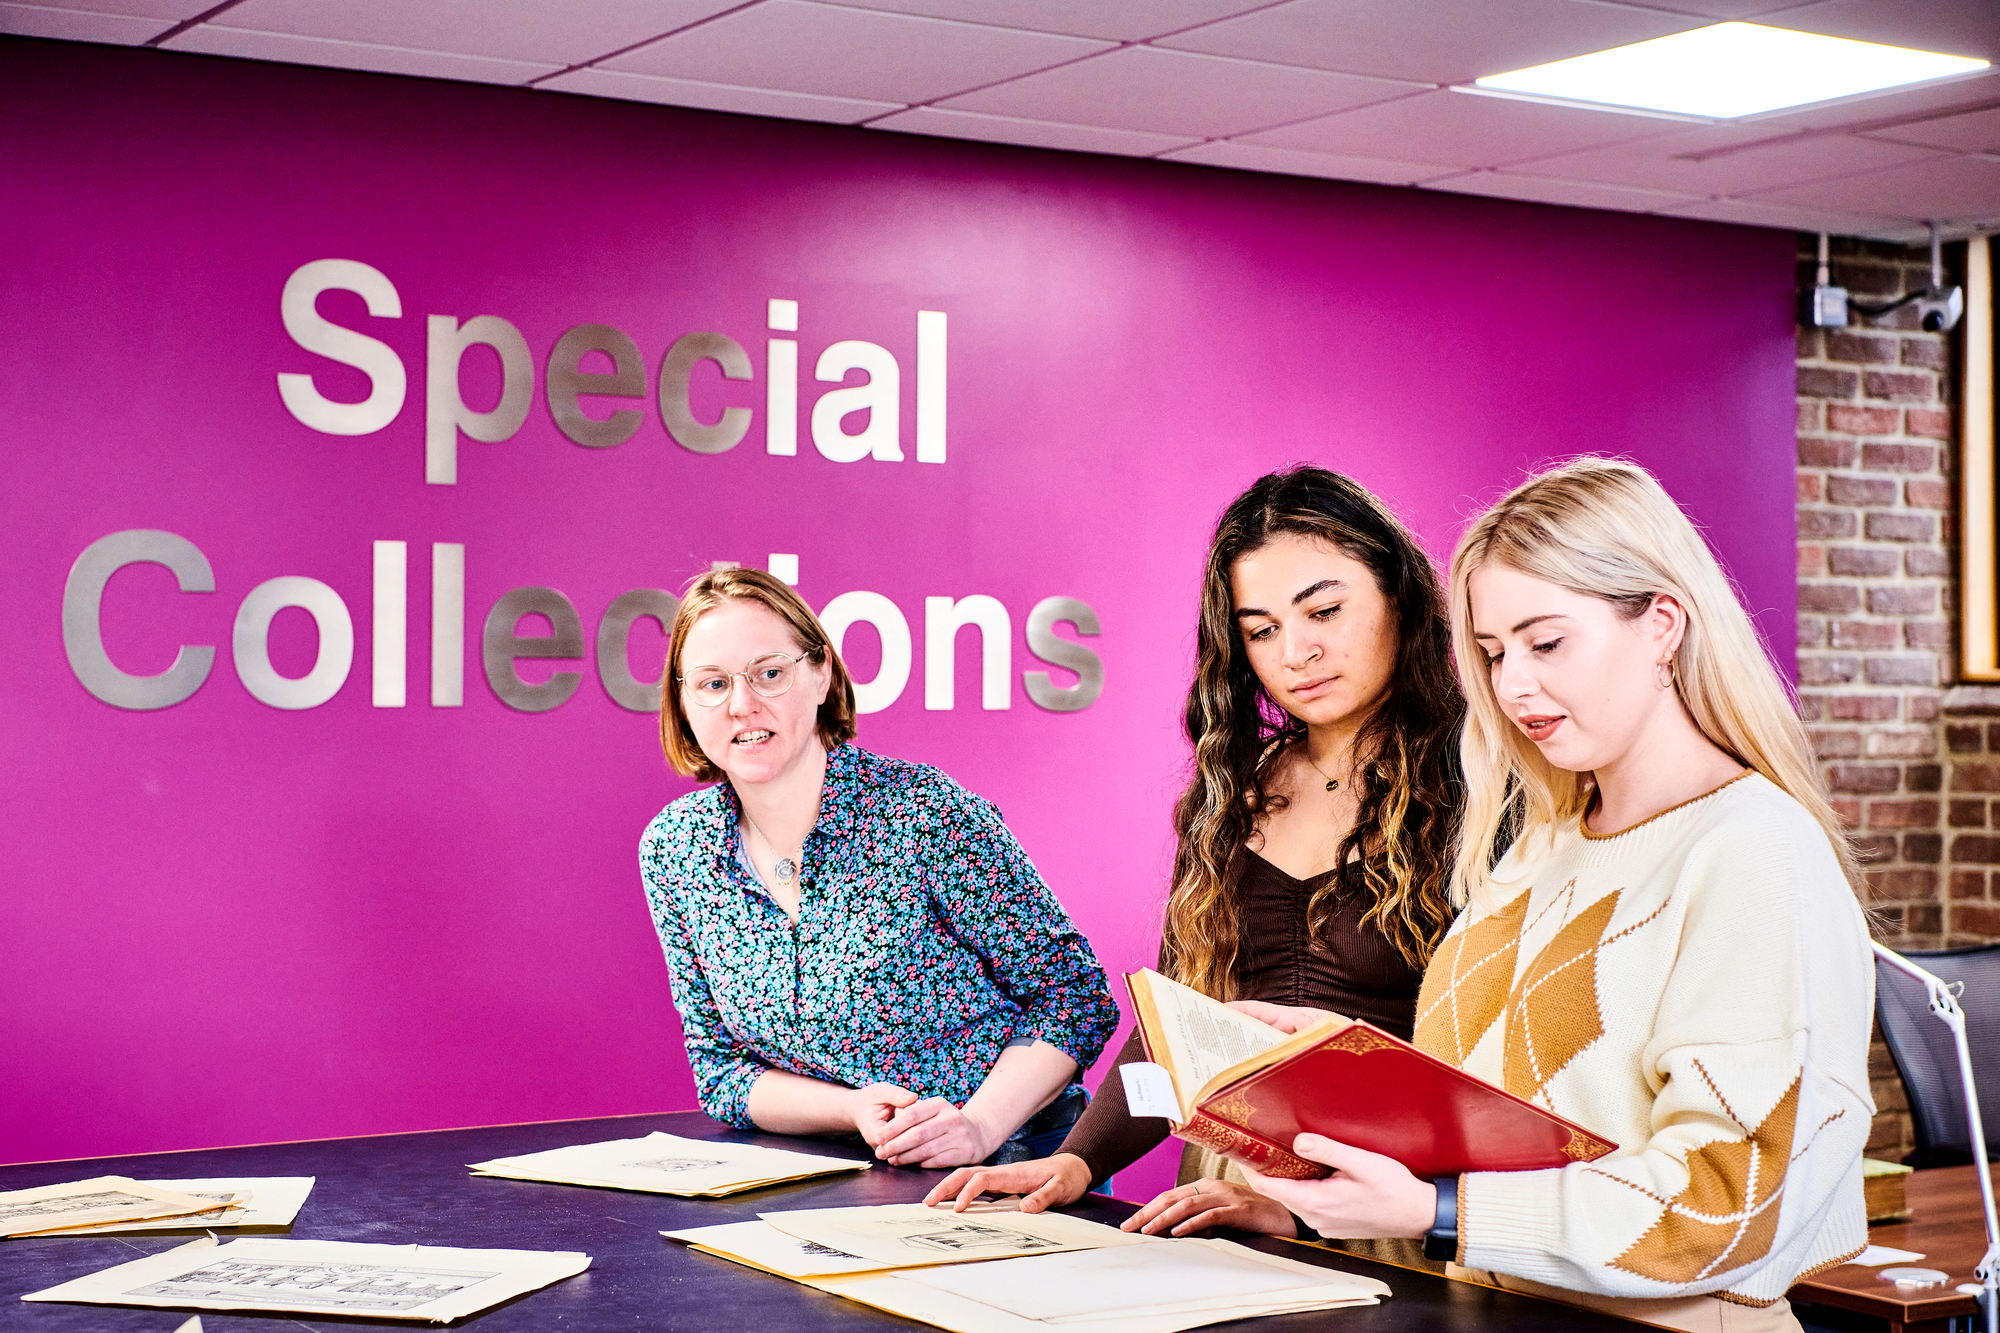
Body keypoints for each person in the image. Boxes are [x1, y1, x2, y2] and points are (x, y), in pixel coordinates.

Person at [1232, 458, 1873, 1332]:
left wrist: (1439, 1213)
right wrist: (1355, 1069)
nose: (1512, 686)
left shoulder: (1754, 849)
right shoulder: (1546, 840)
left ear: (1661, 625)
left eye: (1547, 642)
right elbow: (1517, 1118)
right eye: (1494, 654)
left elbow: (1731, 1200)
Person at [928, 467, 1466, 1235]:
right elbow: (1180, 1021)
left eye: (1325, 610)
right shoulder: (1230, 794)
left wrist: (1302, 1212)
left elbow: (1493, 1061)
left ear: (1400, 597)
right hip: (1226, 1199)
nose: (1298, 651)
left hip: (1395, 1204)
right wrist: (1079, 1160)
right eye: (1262, 629)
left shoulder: (1482, 785)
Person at [638, 567, 1119, 1169]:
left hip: (1012, 1159)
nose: (742, 705)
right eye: (712, 683)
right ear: (683, 701)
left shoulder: (921, 812)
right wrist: (852, 1109)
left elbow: (1075, 999)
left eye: (769, 673)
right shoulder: (675, 848)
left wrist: (977, 1125)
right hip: (832, 1175)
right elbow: (722, 1073)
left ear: (819, 674)